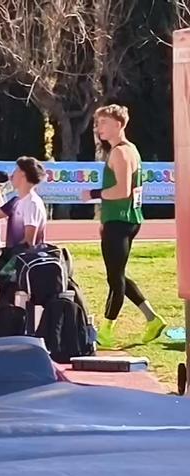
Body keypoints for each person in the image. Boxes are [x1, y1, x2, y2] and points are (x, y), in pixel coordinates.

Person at [80, 104, 165, 347]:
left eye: (104, 123)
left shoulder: (120, 153)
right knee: (117, 275)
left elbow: (122, 190)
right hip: (121, 219)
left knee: (114, 279)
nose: (99, 128)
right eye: (98, 123)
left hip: (121, 220)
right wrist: (104, 219)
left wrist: (94, 193)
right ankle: (152, 319)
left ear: (119, 124)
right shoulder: (129, 150)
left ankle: (106, 331)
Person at [0, 156, 48, 250]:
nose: (11, 176)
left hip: (23, 257)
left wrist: (8, 253)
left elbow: (28, 242)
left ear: (23, 174)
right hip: (14, 255)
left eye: (16, 170)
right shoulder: (15, 201)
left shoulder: (32, 203)